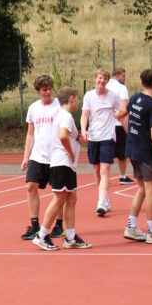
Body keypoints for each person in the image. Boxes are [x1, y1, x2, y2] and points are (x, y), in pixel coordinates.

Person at [33, 88, 91, 250]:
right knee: (59, 199)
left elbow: (69, 135)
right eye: (77, 99)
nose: (78, 102)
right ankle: (42, 235)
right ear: (71, 98)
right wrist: (70, 153)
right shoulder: (65, 115)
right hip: (62, 162)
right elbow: (63, 135)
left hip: (67, 164)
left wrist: (80, 138)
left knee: (71, 198)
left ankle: (70, 237)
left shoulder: (62, 115)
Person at [123, 68, 152, 244]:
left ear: (141, 82)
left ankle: (131, 226)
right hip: (145, 152)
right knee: (151, 192)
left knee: (142, 189)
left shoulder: (135, 97)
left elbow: (125, 112)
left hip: (133, 150)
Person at [20, 75, 64, 240]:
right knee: (31, 186)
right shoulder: (33, 108)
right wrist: (26, 156)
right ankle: (34, 225)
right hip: (38, 155)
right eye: (44, 89)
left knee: (58, 191)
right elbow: (30, 134)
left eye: (50, 89)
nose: (47, 92)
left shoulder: (59, 106)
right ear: (39, 90)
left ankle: (58, 225)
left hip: (56, 155)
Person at [80, 69, 125, 216]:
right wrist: (83, 129)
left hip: (108, 137)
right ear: (95, 79)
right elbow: (84, 115)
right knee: (97, 169)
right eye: (100, 78)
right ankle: (104, 198)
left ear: (108, 80)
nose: (102, 81)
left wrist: (129, 132)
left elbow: (122, 113)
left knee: (105, 169)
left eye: (105, 78)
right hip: (93, 137)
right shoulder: (89, 96)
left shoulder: (113, 96)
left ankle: (100, 202)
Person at [106, 67, 133, 184]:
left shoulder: (104, 87)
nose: (124, 78)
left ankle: (105, 178)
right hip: (118, 123)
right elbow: (124, 108)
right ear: (117, 76)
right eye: (123, 76)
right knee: (122, 153)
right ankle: (122, 176)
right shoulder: (121, 88)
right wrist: (127, 128)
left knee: (107, 152)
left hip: (106, 125)